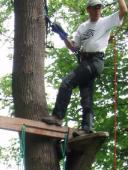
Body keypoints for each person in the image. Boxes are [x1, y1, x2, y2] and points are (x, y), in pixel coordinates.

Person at [43, 0, 126, 135]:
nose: (97, 10)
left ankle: (57, 117)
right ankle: (87, 128)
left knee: (67, 82)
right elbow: (74, 47)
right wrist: (62, 35)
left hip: (95, 61)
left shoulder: (106, 21)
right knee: (86, 96)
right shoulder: (83, 27)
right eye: (94, 8)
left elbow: (124, 11)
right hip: (85, 62)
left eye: (99, 7)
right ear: (88, 9)